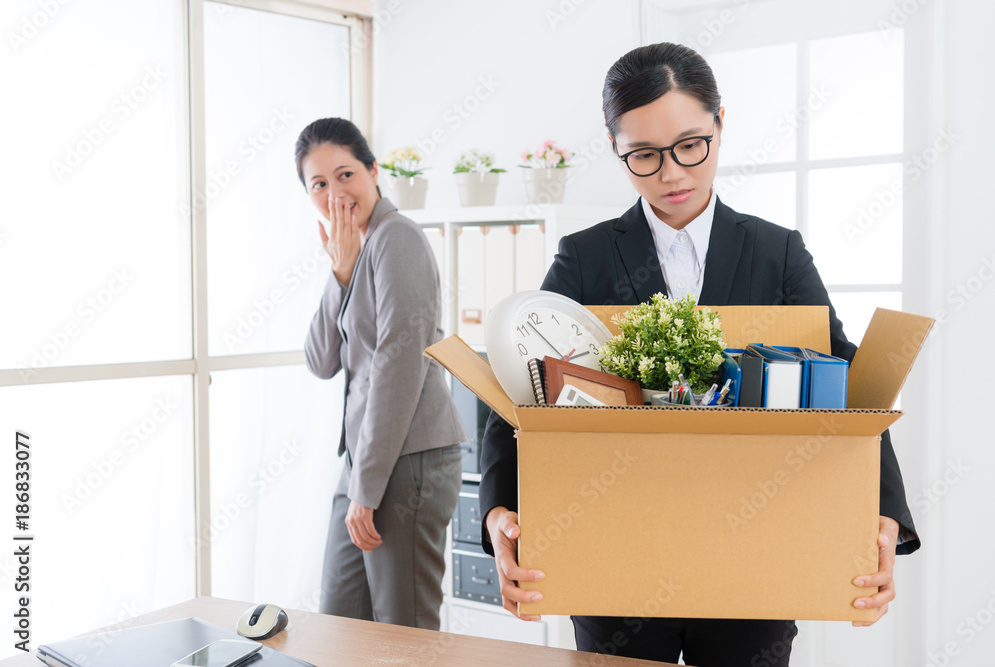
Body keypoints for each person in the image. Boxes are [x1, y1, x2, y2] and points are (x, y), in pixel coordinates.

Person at [478, 42, 920, 665]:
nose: (672, 174)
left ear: (719, 123)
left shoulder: (777, 253)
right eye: (643, 155)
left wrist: (883, 517)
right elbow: (517, 390)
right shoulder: (587, 258)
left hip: (755, 568)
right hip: (616, 569)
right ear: (615, 147)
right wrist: (501, 514)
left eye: (691, 145)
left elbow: (850, 392)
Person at [299, 117, 466, 630]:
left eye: (345, 174)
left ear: (374, 171)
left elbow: (398, 364)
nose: (335, 193)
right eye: (319, 184)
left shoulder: (398, 241)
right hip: (367, 459)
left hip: (408, 462)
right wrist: (339, 275)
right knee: (340, 624)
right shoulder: (358, 251)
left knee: (402, 635)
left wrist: (366, 490)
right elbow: (320, 360)